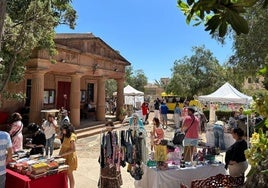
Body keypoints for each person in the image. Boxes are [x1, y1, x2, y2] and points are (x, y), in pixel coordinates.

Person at [98, 120, 122, 188]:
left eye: (109, 126)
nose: (108, 127)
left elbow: (116, 143)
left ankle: (113, 185)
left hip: (113, 155)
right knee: (105, 169)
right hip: (106, 155)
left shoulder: (114, 134)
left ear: (112, 126)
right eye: (107, 126)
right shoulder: (105, 134)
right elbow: (103, 145)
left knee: (113, 169)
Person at [58, 123, 77, 188]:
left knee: (70, 175)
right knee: (64, 174)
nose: (62, 131)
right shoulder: (65, 135)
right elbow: (58, 136)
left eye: (63, 130)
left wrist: (63, 154)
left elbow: (73, 149)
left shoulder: (72, 136)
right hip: (64, 157)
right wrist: (61, 132)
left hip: (70, 158)